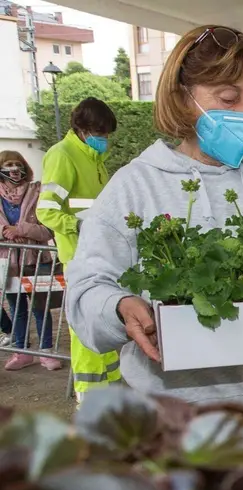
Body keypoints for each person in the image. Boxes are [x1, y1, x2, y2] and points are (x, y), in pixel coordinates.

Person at [65, 25, 243, 458]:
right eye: (227, 98)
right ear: (183, 96)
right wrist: (119, 306)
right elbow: (87, 288)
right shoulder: (135, 186)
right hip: (173, 414)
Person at [36, 97, 121, 397]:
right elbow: (45, 211)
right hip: (78, 257)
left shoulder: (94, 158)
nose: (104, 139)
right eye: (100, 132)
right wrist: (79, 225)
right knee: (86, 328)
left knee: (105, 323)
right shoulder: (62, 155)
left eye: (107, 134)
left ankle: (108, 388)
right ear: (82, 128)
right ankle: (88, 394)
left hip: (102, 256)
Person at [0, 151, 62, 371]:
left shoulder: (39, 191)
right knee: (17, 309)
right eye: (8, 164)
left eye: (18, 164)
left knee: (40, 308)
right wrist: (4, 231)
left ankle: (45, 352)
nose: (14, 169)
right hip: (8, 262)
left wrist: (21, 230)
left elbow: (49, 230)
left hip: (37, 259)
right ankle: (22, 351)